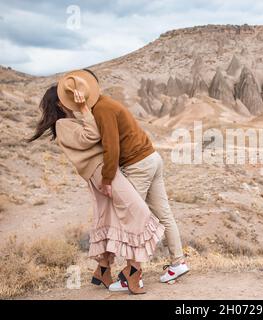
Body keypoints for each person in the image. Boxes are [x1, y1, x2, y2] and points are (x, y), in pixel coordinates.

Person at [28, 70, 165, 294]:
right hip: (100, 172)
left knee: (108, 218)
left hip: (100, 171)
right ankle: (132, 272)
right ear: (60, 105)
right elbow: (92, 136)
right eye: (66, 100)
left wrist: (82, 113)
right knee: (137, 211)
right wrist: (83, 110)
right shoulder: (63, 125)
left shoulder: (71, 121)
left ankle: (103, 269)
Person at [86, 69, 189, 282]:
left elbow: (111, 148)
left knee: (131, 220)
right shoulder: (107, 103)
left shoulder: (102, 109)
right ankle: (178, 263)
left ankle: (132, 277)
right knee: (164, 215)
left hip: (137, 165)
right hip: (152, 158)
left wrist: (106, 179)